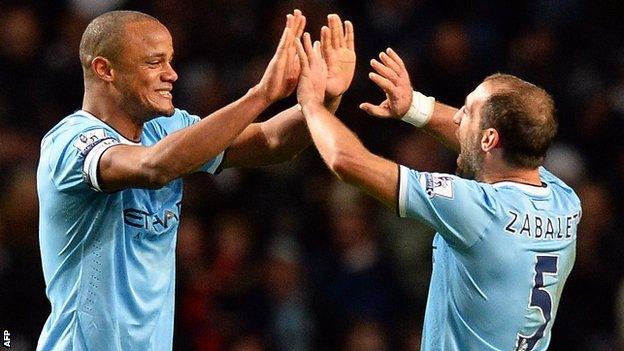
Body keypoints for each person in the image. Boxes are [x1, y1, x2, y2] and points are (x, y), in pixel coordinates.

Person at [36, 10, 355, 350]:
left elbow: (271, 143)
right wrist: (260, 95)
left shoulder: (165, 128)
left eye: (170, 61)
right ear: (105, 70)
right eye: (154, 62)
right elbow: (154, 167)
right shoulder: (71, 144)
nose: (171, 74)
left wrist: (322, 100)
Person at [294, 33, 580, 350]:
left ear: (489, 139)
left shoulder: (478, 209)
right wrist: (413, 106)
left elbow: (347, 161)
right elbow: (490, 145)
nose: (456, 116)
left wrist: (312, 104)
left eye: (467, 111)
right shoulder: (564, 199)